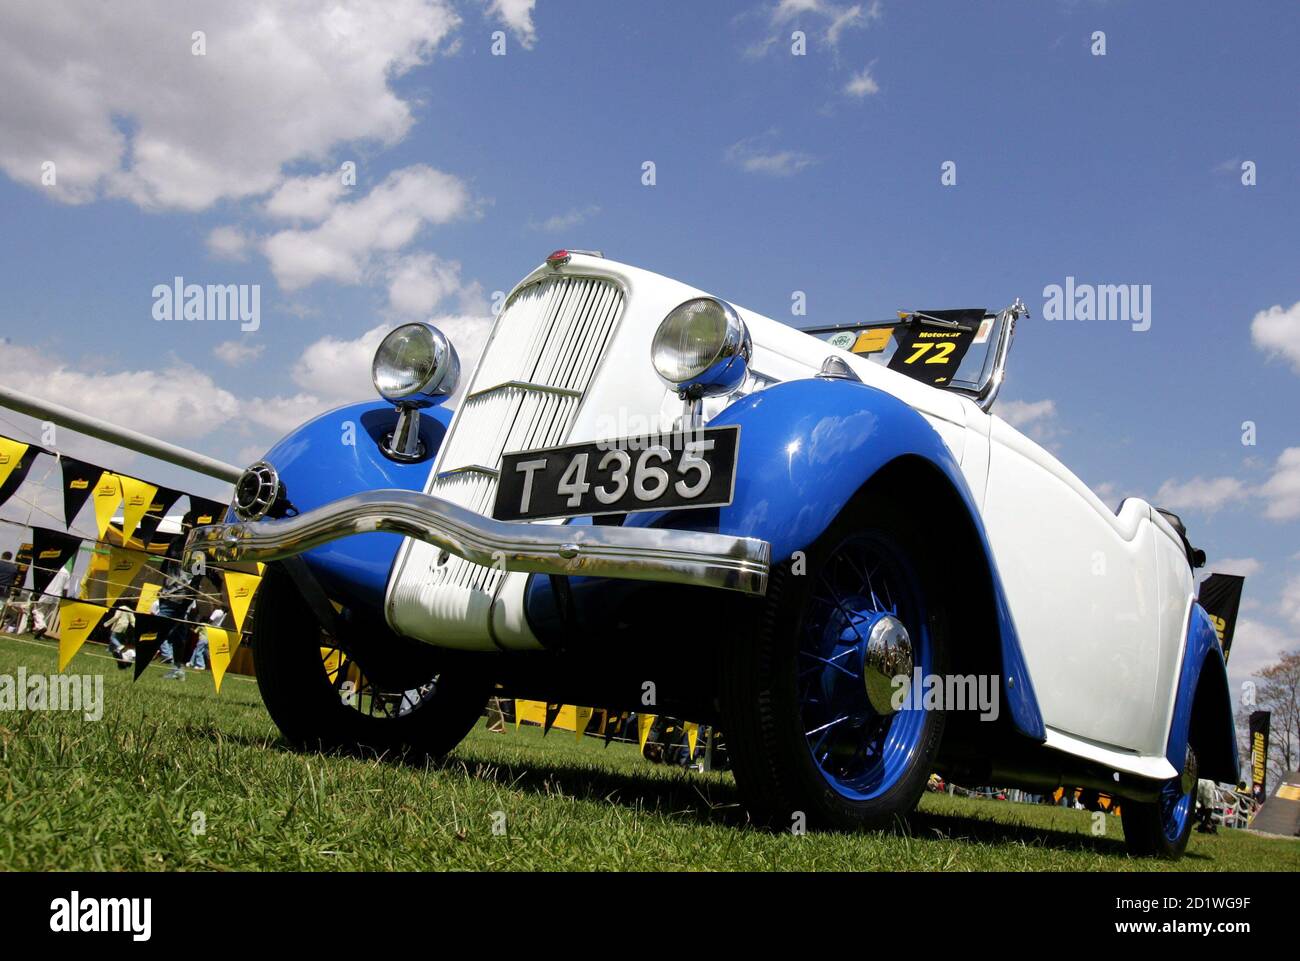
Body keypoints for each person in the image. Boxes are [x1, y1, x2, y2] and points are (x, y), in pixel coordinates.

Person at [156, 539, 198, 681]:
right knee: (177, 635)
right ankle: (178, 669)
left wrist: (191, 597)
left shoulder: (198, 548)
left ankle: (136, 659)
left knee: (159, 629)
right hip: (168, 594)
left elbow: (198, 576)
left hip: (183, 596)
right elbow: (164, 568)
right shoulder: (174, 544)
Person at [187, 607, 225, 671]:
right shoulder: (210, 626)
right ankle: (191, 662)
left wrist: (190, 628)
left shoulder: (201, 625)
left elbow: (195, 631)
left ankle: (201, 665)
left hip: (202, 640)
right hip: (208, 639)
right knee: (198, 650)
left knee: (199, 652)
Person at [0, 551, 18, 630]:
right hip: (5, 590)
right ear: (10, 558)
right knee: (0, 608)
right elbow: (14, 579)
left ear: (2, 556)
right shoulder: (14, 567)